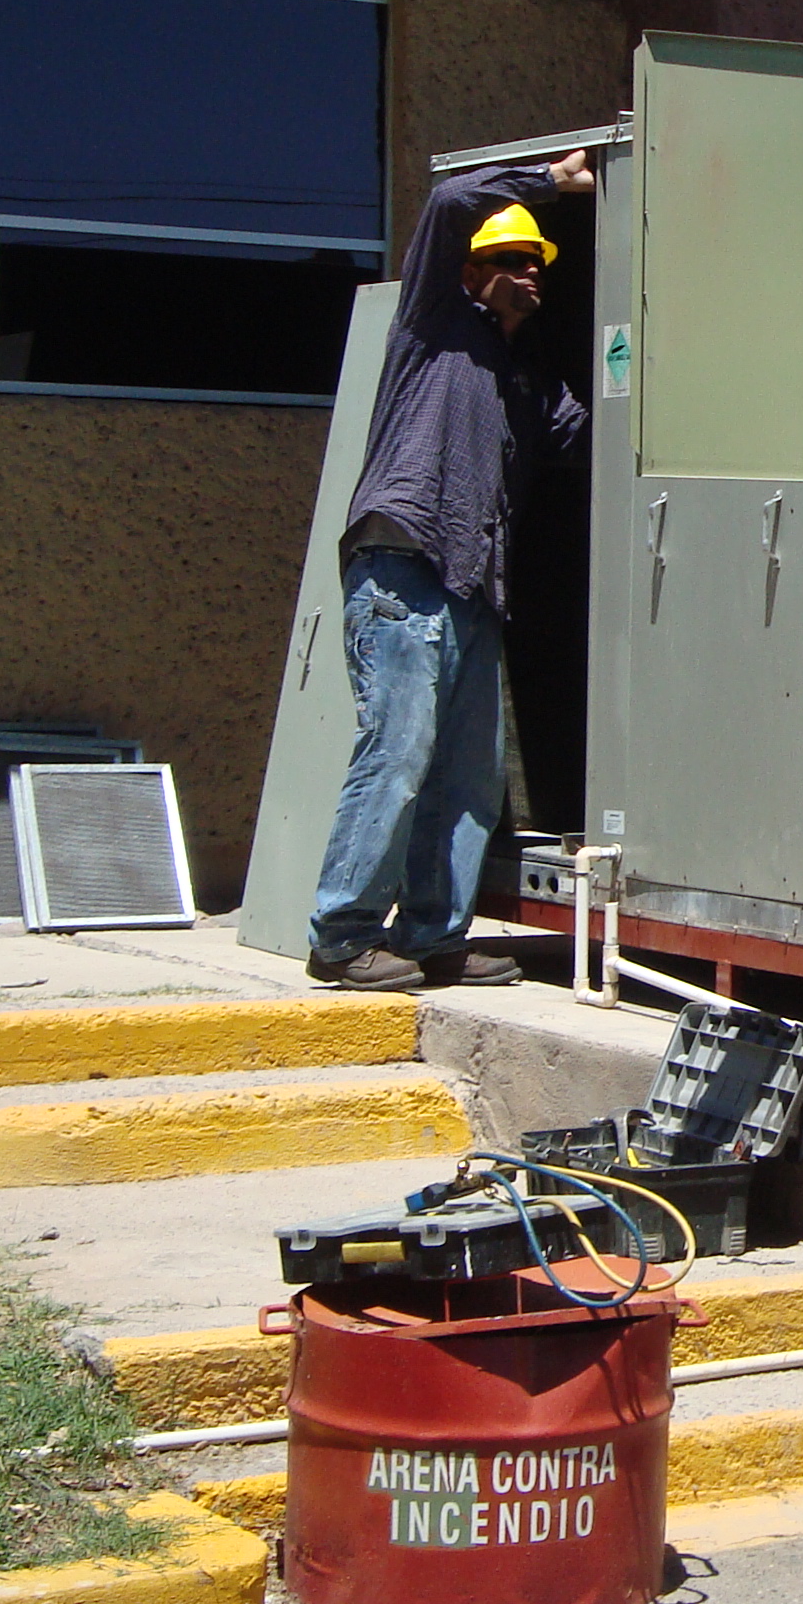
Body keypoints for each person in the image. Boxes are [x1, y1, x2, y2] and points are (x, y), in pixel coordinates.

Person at [308, 151, 594, 991]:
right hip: (404, 568)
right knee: (397, 755)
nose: (528, 275)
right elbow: (450, 195)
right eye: (509, 261)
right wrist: (554, 183)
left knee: (469, 777)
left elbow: (597, 434)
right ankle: (342, 934)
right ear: (469, 271)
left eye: (536, 262)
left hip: (471, 586)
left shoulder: (526, 381)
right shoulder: (431, 324)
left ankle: (435, 935)